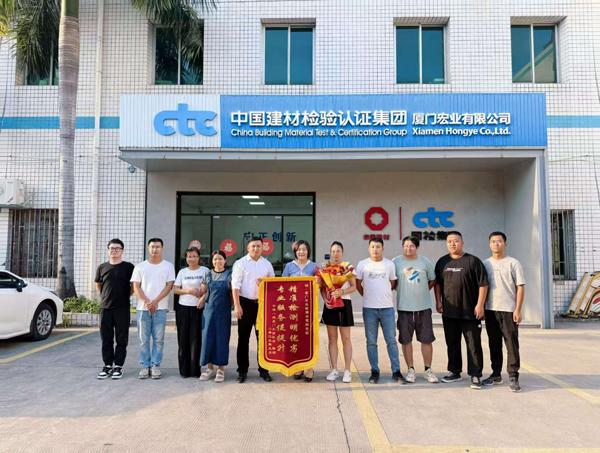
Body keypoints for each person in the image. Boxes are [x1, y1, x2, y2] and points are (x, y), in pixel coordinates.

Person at [435, 231, 488, 389]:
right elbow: (438, 284)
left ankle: (475, 374)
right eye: (449, 241)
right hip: (449, 312)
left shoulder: (472, 261)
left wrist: (480, 305)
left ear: (462, 243)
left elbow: (483, 284)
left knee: (473, 345)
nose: (452, 243)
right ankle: (455, 371)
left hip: (470, 312)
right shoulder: (442, 262)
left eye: (456, 241)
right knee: (452, 343)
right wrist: (438, 301)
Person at [356, 237, 406, 384]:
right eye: (372, 247)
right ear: (369, 248)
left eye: (378, 247)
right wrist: (367, 296)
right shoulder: (362, 264)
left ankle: (396, 371)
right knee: (371, 341)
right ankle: (374, 371)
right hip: (369, 309)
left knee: (391, 341)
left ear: (383, 248)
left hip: (387, 308)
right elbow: (358, 284)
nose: (375, 249)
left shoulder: (389, 264)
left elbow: (392, 283)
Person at [482, 231, 525, 393]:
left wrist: (518, 309)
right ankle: (496, 374)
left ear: (505, 244)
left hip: (508, 310)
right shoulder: (485, 264)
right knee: (494, 344)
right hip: (490, 310)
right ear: (489, 244)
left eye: (499, 241)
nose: (496, 244)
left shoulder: (513, 263)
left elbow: (520, 287)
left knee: (511, 344)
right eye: (493, 241)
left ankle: (513, 376)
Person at [393, 236, 439, 384]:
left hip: (423, 307)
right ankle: (410, 370)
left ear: (417, 247)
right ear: (402, 246)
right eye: (406, 245)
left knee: (427, 340)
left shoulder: (425, 261)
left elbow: (432, 280)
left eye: (412, 246)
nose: (409, 248)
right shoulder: (395, 262)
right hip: (404, 308)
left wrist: (422, 291)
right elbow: (393, 283)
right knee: (406, 340)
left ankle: (428, 370)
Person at [232, 237, 275, 383]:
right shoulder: (240, 263)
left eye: (258, 246)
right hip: (245, 303)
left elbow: (273, 285)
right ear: (248, 248)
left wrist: (265, 283)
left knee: (262, 339)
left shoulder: (267, 264)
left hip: (262, 304)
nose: (256, 249)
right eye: (253, 246)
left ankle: (264, 370)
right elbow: (235, 285)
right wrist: (237, 305)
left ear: (263, 248)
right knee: (243, 338)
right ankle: (242, 370)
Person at [131, 238, 175, 380]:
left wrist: (156, 301)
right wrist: (147, 302)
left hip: (160, 308)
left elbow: (169, 285)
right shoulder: (140, 267)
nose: (155, 249)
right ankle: (145, 366)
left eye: (157, 247)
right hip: (142, 309)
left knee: (158, 340)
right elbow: (136, 286)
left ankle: (155, 365)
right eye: (152, 247)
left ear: (162, 248)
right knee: (143, 340)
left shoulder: (168, 266)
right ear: (148, 248)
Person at [95, 239, 135, 380]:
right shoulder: (102, 267)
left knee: (121, 338)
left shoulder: (129, 267)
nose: (114, 251)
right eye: (112, 248)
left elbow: (133, 287)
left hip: (122, 308)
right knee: (106, 339)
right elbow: (98, 284)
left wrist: (125, 297)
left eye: (117, 248)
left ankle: (118, 366)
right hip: (105, 308)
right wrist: (105, 297)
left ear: (122, 251)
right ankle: (107, 366)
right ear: (108, 251)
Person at [282, 240, 318, 382]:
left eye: (304, 249)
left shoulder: (314, 266)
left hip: (309, 307)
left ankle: (309, 368)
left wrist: (319, 281)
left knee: (309, 337)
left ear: (308, 251)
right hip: (293, 309)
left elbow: (320, 285)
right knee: (295, 337)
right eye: (299, 250)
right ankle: (298, 367)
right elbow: (282, 285)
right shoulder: (289, 266)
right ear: (295, 252)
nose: (301, 252)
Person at [321, 241, 357, 384]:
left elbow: (353, 287)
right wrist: (325, 299)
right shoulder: (326, 268)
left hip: (344, 303)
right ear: (330, 253)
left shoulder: (348, 267)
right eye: (333, 251)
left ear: (342, 252)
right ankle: (334, 369)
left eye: (338, 251)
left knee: (346, 338)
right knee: (332, 339)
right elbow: (322, 287)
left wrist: (342, 291)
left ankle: (347, 370)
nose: (335, 254)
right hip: (330, 304)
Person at [174, 247, 209, 378]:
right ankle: (184, 370)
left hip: (199, 308)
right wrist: (189, 291)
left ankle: (195, 370)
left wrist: (202, 297)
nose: (192, 259)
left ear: (198, 257)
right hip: (183, 308)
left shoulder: (205, 271)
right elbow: (176, 290)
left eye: (194, 256)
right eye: (189, 256)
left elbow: (209, 288)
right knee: (183, 339)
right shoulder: (182, 272)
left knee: (196, 339)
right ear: (186, 258)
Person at [199, 250, 233, 383]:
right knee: (208, 338)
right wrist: (202, 299)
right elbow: (204, 292)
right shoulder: (207, 274)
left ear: (225, 261)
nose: (217, 261)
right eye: (215, 259)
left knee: (222, 339)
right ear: (212, 261)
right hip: (208, 312)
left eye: (220, 259)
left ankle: (220, 369)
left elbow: (232, 295)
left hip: (223, 313)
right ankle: (209, 368)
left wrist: (228, 307)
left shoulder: (230, 275)